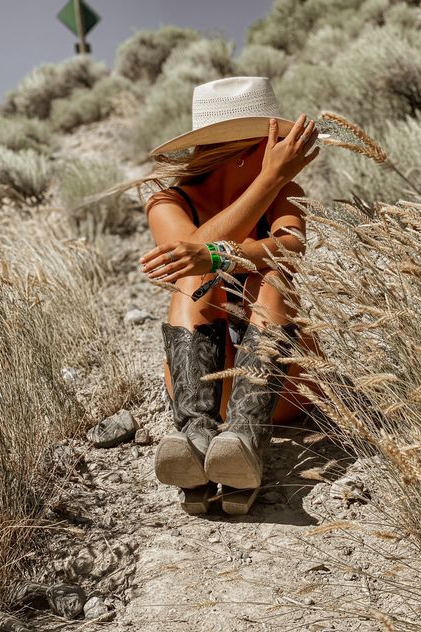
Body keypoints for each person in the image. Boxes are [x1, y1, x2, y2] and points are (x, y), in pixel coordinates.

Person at [132, 76, 323, 514]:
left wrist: (221, 252)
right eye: (275, 143)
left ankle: (243, 441)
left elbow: (291, 250)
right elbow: (189, 261)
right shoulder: (168, 203)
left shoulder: (285, 192)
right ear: (244, 151)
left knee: (271, 278)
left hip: (285, 386)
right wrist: (268, 180)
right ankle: (198, 442)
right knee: (194, 284)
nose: (284, 155)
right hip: (202, 390)